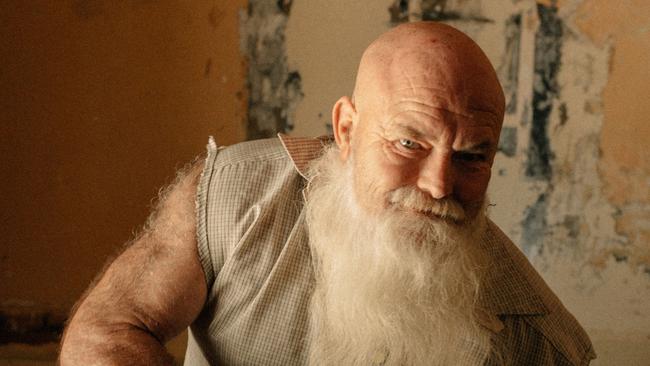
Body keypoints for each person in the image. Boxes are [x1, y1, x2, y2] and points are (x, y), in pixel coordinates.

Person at [59, 22, 595, 365]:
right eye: (409, 142)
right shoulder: (234, 192)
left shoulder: (541, 343)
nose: (438, 184)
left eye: (472, 156)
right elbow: (109, 329)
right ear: (346, 129)